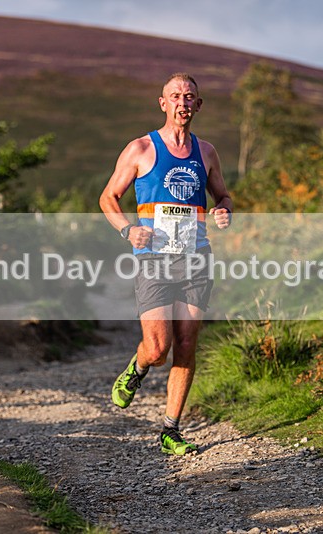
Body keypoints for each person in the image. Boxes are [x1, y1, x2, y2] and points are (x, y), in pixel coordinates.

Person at [99, 73, 233, 455]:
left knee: (187, 345)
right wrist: (127, 230)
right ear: (163, 103)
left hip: (195, 259)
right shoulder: (141, 149)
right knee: (158, 349)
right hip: (153, 259)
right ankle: (137, 369)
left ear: (198, 105)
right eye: (175, 96)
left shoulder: (206, 152)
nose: (183, 102)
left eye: (190, 97)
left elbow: (223, 196)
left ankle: (170, 430)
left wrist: (223, 210)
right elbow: (108, 197)